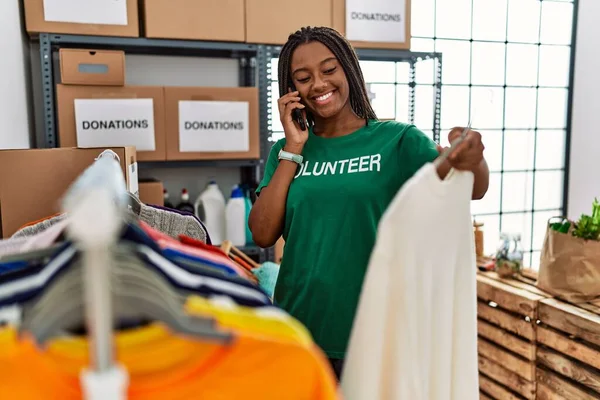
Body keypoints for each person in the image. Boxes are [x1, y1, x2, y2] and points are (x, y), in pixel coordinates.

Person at [248, 26, 489, 380]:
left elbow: (470, 185)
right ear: (291, 89)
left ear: (348, 70)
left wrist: (472, 157)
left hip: (377, 337)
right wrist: (294, 148)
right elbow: (263, 233)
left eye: (329, 70)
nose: (317, 84)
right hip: (299, 333)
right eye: (303, 77)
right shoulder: (285, 153)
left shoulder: (397, 141)